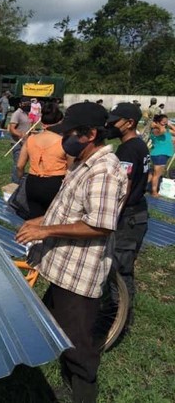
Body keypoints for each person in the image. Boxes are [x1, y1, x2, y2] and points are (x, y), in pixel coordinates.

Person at [16, 102, 127, 403]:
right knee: (57, 328)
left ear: (89, 134)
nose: (64, 140)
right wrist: (41, 220)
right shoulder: (82, 163)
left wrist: (46, 231)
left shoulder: (104, 171)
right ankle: (68, 385)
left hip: (79, 274)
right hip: (63, 267)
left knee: (79, 346)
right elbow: (70, 208)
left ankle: (82, 394)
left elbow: (100, 226)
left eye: (70, 133)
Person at [106, 102, 150, 331]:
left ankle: (119, 320)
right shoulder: (139, 145)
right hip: (137, 213)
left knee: (120, 269)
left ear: (129, 123)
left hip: (129, 217)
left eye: (115, 121)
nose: (111, 125)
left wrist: (111, 219)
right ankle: (118, 313)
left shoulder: (129, 149)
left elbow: (124, 187)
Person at [16, 101, 71, 218]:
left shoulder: (30, 139)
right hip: (54, 182)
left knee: (33, 218)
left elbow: (20, 165)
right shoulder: (64, 141)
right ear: (60, 122)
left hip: (32, 181)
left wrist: (22, 178)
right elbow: (71, 169)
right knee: (52, 220)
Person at [148, 113, 175, 196]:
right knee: (157, 174)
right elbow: (162, 131)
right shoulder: (155, 130)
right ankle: (154, 192)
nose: (166, 123)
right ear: (158, 122)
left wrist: (170, 125)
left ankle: (143, 187)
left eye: (166, 121)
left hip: (163, 154)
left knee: (153, 173)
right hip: (159, 154)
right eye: (164, 121)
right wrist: (156, 124)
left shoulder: (166, 129)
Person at [8, 98, 33, 183]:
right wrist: (20, 134)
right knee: (18, 164)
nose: (28, 105)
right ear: (21, 104)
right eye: (26, 104)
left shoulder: (27, 113)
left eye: (29, 104)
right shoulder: (17, 114)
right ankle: (15, 182)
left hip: (26, 143)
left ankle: (20, 179)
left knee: (23, 163)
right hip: (17, 143)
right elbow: (12, 129)